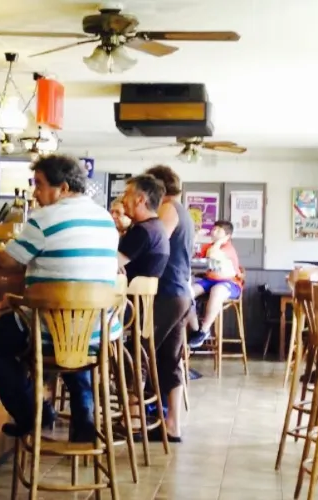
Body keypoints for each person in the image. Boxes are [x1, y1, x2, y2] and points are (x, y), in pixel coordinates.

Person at [0, 155, 121, 442]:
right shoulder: (105, 219)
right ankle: (83, 417)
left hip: (53, 329)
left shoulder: (44, 219)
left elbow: (9, 261)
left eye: (39, 185)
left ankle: (32, 414)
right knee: (72, 335)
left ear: (63, 188)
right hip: (97, 331)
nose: (35, 192)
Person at [141, 165, 194, 443]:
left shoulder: (169, 208)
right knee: (168, 360)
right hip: (180, 293)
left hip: (167, 292)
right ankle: (172, 424)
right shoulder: (182, 210)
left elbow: (156, 242)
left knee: (137, 353)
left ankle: (134, 419)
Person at [116, 174, 170, 404]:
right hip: (141, 312)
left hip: (125, 312)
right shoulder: (157, 228)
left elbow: (109, 265)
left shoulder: (142, 231)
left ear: (140, 199)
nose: (123, 199)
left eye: (127, 194)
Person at [187, 220, 243, 349]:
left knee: (217, 291)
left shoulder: (228, 248)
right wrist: (196, 237)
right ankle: (196, 330)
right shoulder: (209, 246)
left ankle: (204, 329)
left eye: (218, 230)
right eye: (213, 229)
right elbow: (193, 256)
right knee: (186, 292)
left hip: (230, 282)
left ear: (227, 236)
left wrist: (221, 241)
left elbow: (212, 254)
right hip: (209, 280)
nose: (213, 231)